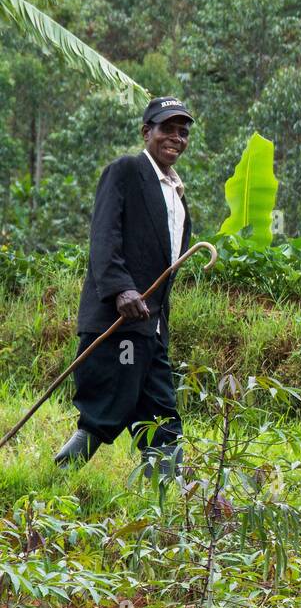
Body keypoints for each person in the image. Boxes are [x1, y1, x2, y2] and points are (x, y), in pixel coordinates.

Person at [53, 97, 194, 477]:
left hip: (152, 329)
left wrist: (159, 322)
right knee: (105, 411)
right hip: (118, 325)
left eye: (183, 133)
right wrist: (121, 290)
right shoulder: (126, 171)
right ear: (146, 132)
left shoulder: (176, 194)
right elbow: (104, 237)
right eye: (167, 129)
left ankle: (166, 504)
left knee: (161, 415)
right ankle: (56, 482)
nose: (176, 138)